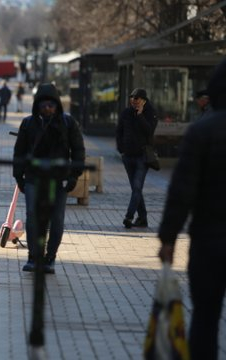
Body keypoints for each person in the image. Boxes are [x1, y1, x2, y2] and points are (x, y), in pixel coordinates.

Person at [157, 58, 226, 360]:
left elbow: (182, 191)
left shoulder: (202, 132)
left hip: (209, 241)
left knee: (205, 318)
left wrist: (168, 238)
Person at [13, 83, 85, 274]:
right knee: (32, 216)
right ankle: (34, 256)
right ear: (37, 105)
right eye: (43, 105)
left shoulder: (68, 123)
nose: (47, 109)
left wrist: (74, 176)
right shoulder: (28, 123)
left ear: (57, 105)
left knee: (57, 219)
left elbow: (78, 150)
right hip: (33, 178)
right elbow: (19, 150)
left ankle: (50, 257)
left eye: (51, 105)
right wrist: (18, 176)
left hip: (58, 179)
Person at [115, 88, 158, 228]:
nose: (133, 100)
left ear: (144, 100)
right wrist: (121, 149)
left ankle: (129, 216)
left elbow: (149, 131)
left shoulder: (150, 113)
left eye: (137, 98)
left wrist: (140, 116)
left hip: (142, 157)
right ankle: (143, 218)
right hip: (128, 156)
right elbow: (119, 132)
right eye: (132, 97)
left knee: (137, 187)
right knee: (136, 189)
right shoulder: (126, 113)